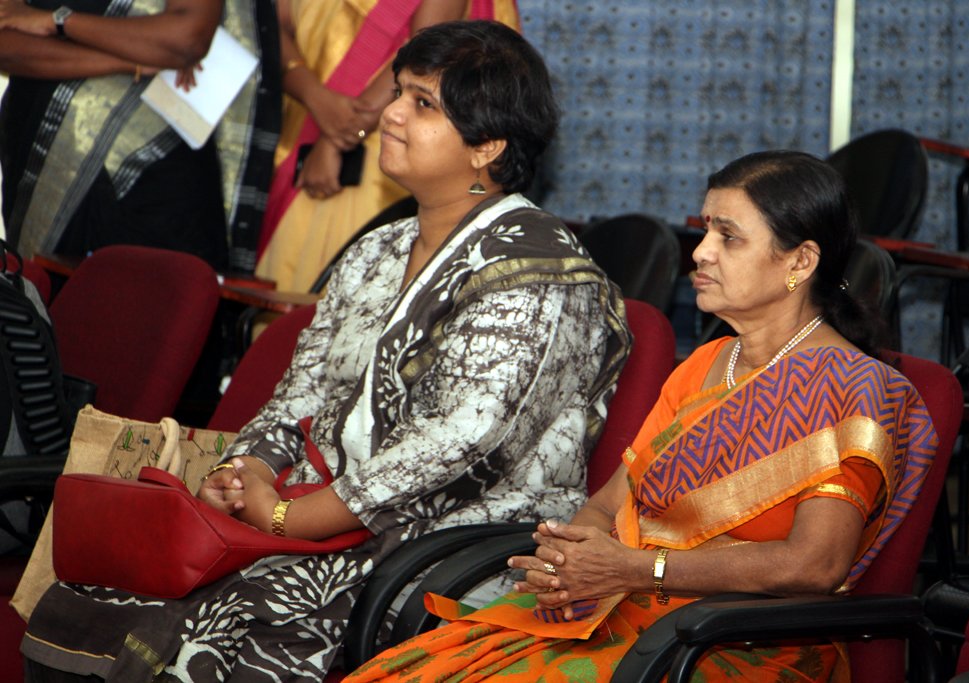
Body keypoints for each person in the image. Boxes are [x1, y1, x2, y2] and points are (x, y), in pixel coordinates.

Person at [21, 20, 631, 681]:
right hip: (324, 513)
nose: (390, 114)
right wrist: (247, 470)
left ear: (487, 146)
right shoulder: (377, 250)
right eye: (398, 93)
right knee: (110, 586)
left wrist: (293, 516)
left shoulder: (541, 272)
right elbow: (304, 388)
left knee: (228, 614)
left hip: (454, 547)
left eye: (422, 104)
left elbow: (459, 442)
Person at [343, 150, 940, 682]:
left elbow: (815, 565)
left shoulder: (854, 386)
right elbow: (609, 504)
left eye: (729, 237)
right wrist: (570, 561)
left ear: (801, 261)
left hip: (741, 644)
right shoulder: (704, 364)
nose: (700, 252)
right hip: (622, 612)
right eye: (704, 229)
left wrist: (635, 568)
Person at [257, 0, 519, 293]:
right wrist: (315, 96)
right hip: (303, 124)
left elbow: (425, 61)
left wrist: (337, 138)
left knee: (351, 285)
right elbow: (269, 23)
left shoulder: (397, 116)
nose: (396, 110)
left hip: (369, 151)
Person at [0, 0, 279, 272]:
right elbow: (7, 43)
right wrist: (130, 59)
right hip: (42, 153)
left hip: (155, 167)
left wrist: (57, 21)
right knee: (47, 295)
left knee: (148, 295)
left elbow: (187, 38)